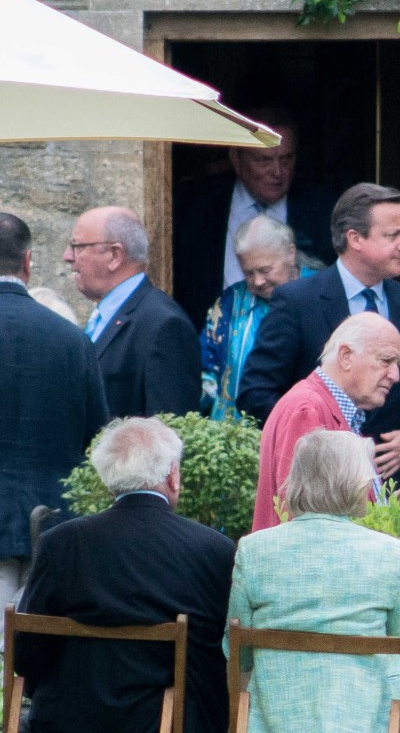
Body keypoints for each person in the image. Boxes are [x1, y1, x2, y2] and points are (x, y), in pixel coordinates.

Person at [16, 416, 235, 733]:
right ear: (173, 476)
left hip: (68, 720)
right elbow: (217, 655)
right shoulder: (213, 551)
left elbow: (28, 653)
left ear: (107, 478)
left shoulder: (60, 544)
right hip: (166, 728)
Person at [225, 428, 400, 733]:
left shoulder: (254, 550)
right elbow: (399, 649)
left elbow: (238, 654)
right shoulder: (389, 553)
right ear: (354, 482)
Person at [238, 182, 400, 479]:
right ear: (355, 239)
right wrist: (322, 438)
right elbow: (255, 393)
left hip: (394, 491)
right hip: (316, 484)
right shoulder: (297, 301)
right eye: (393, 235)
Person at [0, 212, 108, 643]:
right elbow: (98, 439)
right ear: (27, 262)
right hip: (55, 525)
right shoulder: (72, 339)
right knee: (33, 660)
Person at [173, 106, 336, 330]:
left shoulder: (321, 209)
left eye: (286, 159)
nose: (277, 172)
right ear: (236, 158)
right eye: (264, 160)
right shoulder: (193, 205)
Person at [252, 312, 400, 531]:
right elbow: (301, 518)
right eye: (386, 360)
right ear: (345, 356)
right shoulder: (307, 409)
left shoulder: (323, 406)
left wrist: (386, 512)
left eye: (397, 363)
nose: (395, 375)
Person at [64, 206, 201, 420]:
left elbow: (169, 430)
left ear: (114, 255)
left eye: (77, 246)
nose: (67, 256)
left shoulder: (164, 324)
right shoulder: (106, 313)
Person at [201, 214, 322, 421]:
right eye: (248, 273)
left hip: (300, 426)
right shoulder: (230, 302)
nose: (257, 281)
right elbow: (207, 366)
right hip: (232, 438)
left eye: (265, 270)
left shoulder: (321, 292)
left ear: (290, 254)